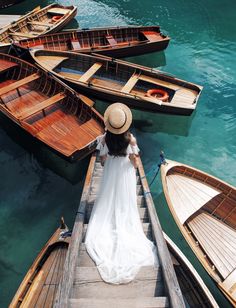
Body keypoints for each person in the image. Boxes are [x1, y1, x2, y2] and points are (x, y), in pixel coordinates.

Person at [85, 103, 158, 284]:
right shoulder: (131, 140)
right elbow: (134, 162)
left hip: (111, 171)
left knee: (108, 194)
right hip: (125, 172)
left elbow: (102, 161)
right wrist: (129, 159)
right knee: (126, 201)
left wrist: (108, 162)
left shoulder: (103, 139)